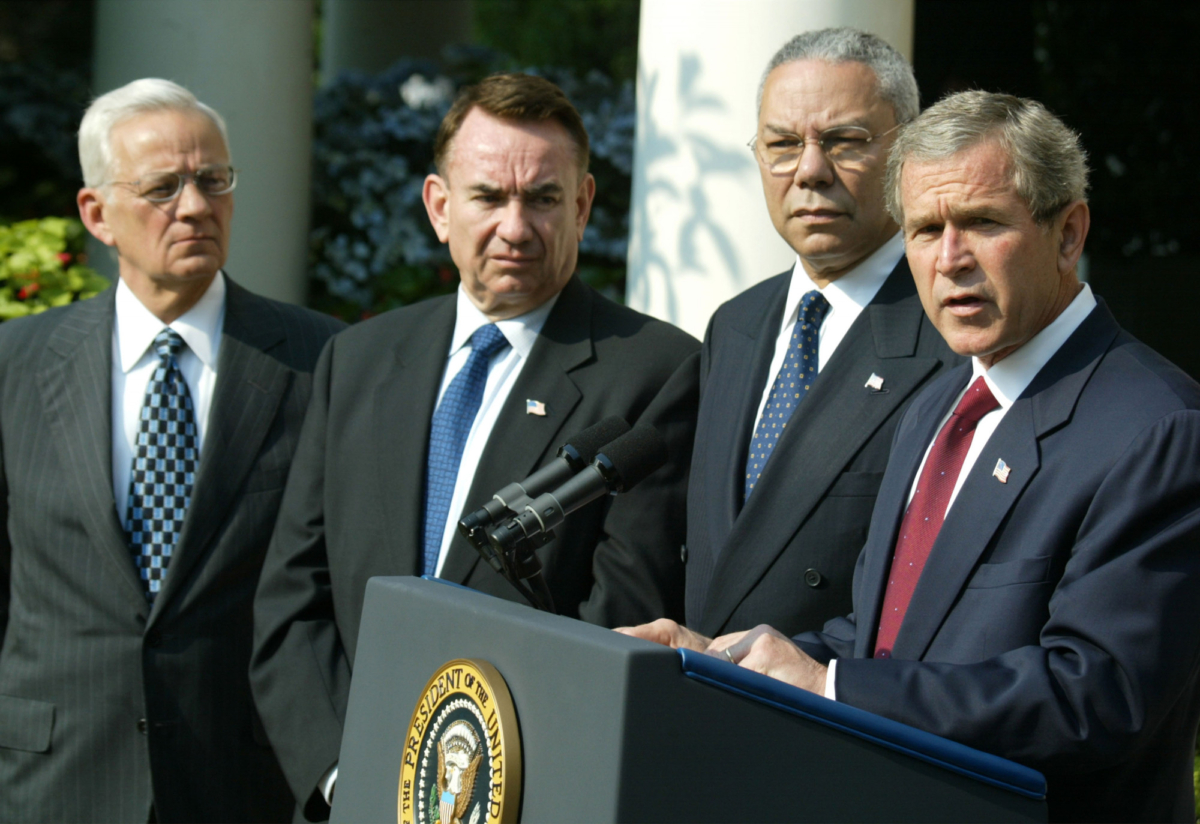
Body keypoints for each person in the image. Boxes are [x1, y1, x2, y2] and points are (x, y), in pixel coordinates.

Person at [625, 91, 1200, 822]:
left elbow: (1096, 693)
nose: (949, 259)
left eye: (982, 223)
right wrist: (737, 659)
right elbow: (885, 634)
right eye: (925, 230)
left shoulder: (1158, 428)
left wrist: (833, 689)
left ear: (1068, 233)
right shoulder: (934, 406)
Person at [251, 73, 699, 819]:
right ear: (439, 206)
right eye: (490, 196)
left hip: (526, 795)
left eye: (544, 199)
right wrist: (344, 776)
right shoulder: (357, 361)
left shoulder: (656, 371)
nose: (516, 228)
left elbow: (618, 619)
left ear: (583, 205)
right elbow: (293, 601)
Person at [0, 79, 344, 822]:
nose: (195, 207)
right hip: (52, 782)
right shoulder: (15, 366)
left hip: (246, 781)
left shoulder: (323, 362)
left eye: (213, 180)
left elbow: (340, 581)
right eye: (163, 187)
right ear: (97, 213)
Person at [683, 28, 960, 639]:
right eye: (782, 143)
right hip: (699, 705)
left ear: (907, 151)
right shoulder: (735, 326)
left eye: (845, 141)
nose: (809, 171)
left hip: (833, 711)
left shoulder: (952, 337)